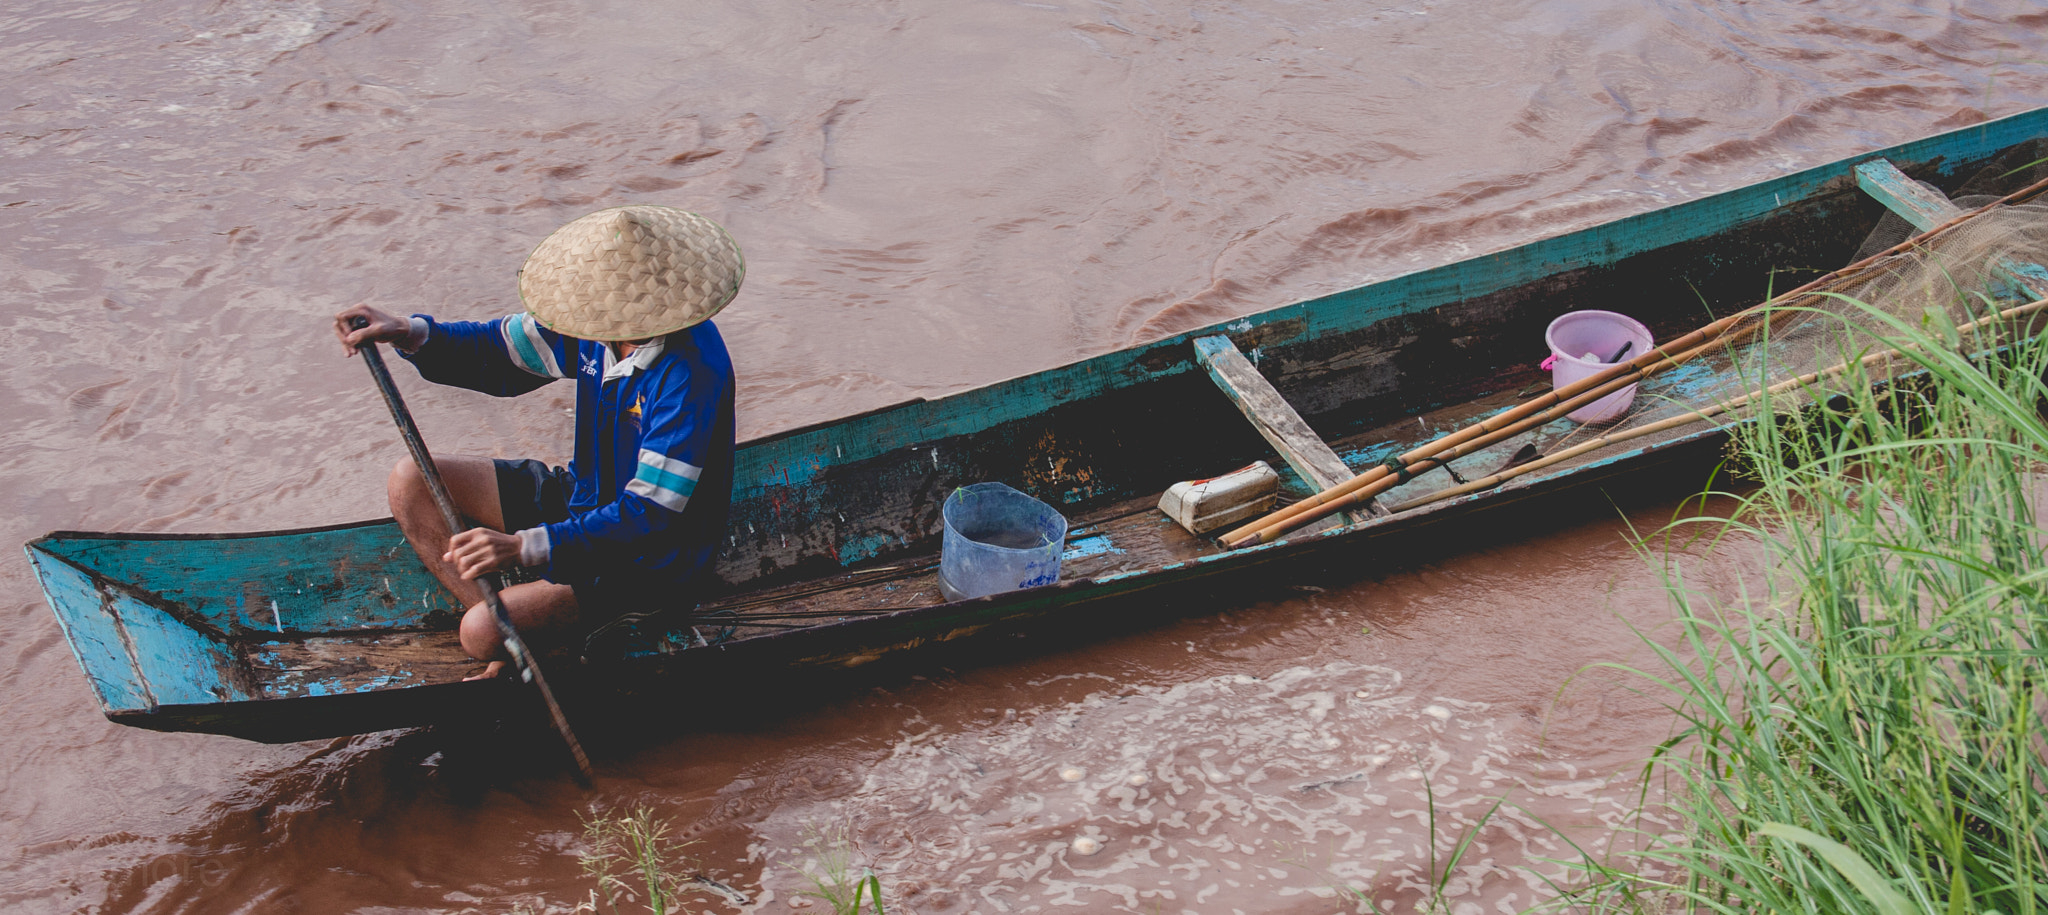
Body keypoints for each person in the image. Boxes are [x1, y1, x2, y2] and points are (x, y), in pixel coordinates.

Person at [333, 205, 741, 679]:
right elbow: (498, 351)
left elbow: (650, 513)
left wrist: (524, 547)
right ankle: (517, 642)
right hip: (583, 498)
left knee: (477, 631)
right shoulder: (598, 325)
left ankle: (506, 631)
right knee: (411, 480)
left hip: (648, 563)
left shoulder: (689, 373)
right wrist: (409, 332)